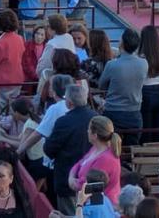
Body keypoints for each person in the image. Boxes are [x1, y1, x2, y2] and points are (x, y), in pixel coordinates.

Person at [44, 81, 97, 216]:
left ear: (69, 102)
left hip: (68, 179)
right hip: (93, 179)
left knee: (68, 214)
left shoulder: (64, 122)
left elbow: (49, 149)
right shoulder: (96, 118)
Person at [100, 28, 146, 148]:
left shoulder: (112, 64)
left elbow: (102, 85)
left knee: (110, 146)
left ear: (122, 43)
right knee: (132, 147)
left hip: (113, 111)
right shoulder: (144, 64)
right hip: (134, 112)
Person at [69, 116, 123, 207]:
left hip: (102, 207)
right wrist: (71, 176)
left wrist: (72, 181)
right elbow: (80, 163)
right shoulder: (96, 149)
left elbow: (86, 185)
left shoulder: (106, 158)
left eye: (89, 129)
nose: (87, 131)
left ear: (95, 135)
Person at [0, 11, 27, 113]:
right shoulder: (20, 39)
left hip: (1, 82)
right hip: (17, 79)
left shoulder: (0, 43)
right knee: (12, 111)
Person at [138, 25, 159, 143]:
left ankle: (145, 157)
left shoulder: (140, 58)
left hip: (145, 93)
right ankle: (157, 157)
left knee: (146, 130)